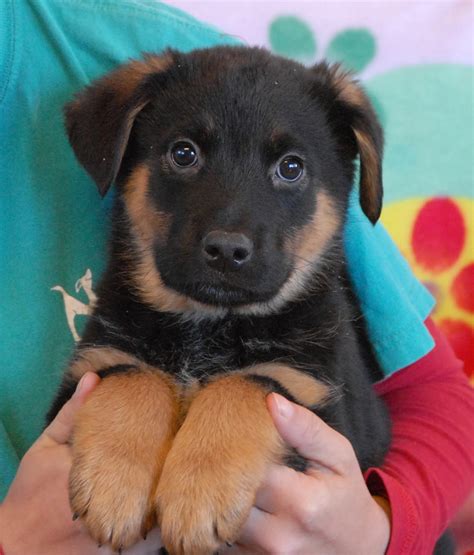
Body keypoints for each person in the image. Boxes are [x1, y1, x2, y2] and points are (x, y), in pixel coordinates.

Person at [0, 1, 472, 554]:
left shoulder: (115, 40)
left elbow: (437, 397)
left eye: (289, 169)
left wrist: (382, 528)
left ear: (350, 184)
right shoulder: (119, 334)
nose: (230, 231)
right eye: (184, 155)